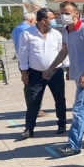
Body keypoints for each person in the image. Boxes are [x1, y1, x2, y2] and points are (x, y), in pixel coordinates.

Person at [43, 2, 84, 156]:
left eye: (67, 13)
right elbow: (64, 52)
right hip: (78, 77)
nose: (64, 16)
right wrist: (51, 68)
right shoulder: (65, 30)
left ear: (76, 14)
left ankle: (74, 145)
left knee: (79, 110)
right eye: (62, 13)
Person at [18, 8, 67, 139]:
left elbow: (63, 52)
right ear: (43, 20)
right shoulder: (27, 34)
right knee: (33, 101)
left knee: (60, 99)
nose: (54, 21)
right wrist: (24, 72)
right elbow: (23, 54)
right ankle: (29, 129)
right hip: (35, 73)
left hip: (55, 72)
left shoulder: (56, 34)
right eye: (52, 18)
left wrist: (67, 68)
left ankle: (62, 124)